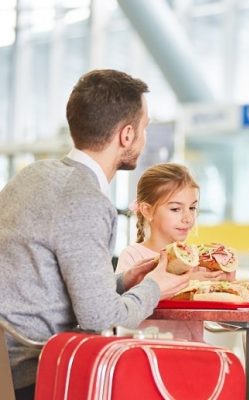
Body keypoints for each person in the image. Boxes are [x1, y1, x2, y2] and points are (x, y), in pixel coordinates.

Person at [0, 69, 190, 400]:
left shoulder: (31, 176)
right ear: (127, 135)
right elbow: (99, 317)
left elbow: (47, 286)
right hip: (39, 373)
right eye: (144, 128)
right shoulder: (86, 200)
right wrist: (155, 286)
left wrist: (124, 281)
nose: (143, 139)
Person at [116, 162, 234, 341]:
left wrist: (226, 287)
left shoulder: (197, 260)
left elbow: (226, 323)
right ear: (147, 211)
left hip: (192, 355)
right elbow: (125, 314)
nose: (188, 217)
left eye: (192, 208)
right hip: (148, 355)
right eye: (176, 209)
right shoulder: (134, 257)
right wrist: (190, 284)